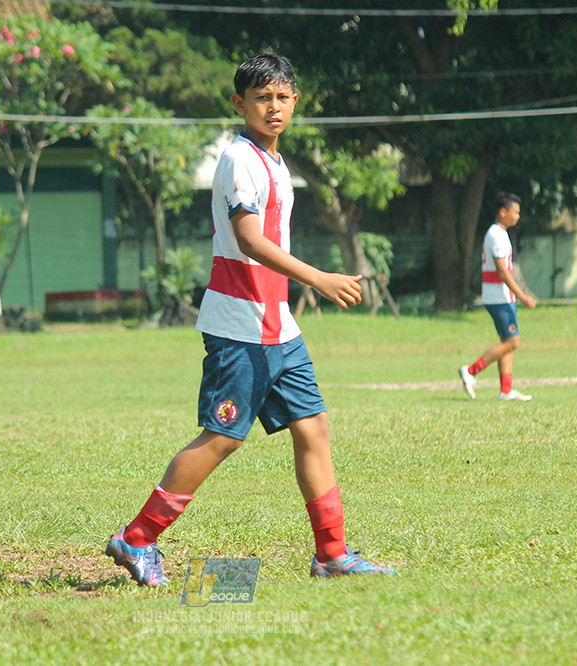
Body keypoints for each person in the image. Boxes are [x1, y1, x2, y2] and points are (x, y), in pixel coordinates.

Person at [105, 53, 395, 586]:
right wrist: (319, 278)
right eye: (262, 98)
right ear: (240, 104)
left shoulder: (276, 161)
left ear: (295, 102)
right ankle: (137, 538)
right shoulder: (239, 159)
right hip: (241, 324)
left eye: (283, 97)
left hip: (278, 325)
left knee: (313, 428)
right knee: (223, 437)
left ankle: (332, 554)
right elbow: (249, 241)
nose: (274, 107)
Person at [459, 192, 537, 401]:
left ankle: (506, 390)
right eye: (515, 212)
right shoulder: (496, 235)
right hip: (500, 297)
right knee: (513, 343)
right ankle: (471, 371)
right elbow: (502, 271)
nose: (517, 216)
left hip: (500, 297)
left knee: (506, 342)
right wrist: (522, 295)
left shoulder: (498, 233)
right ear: (503, 212)